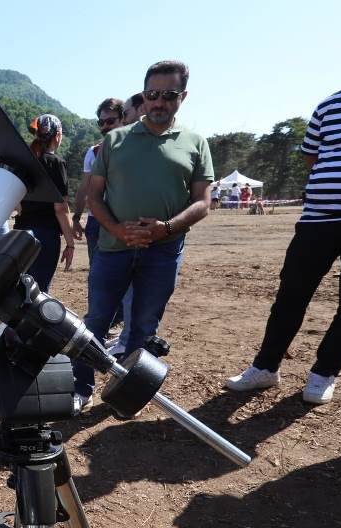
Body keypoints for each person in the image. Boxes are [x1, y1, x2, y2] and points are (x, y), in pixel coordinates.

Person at [225, 15, 341, 405]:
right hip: (318, 218)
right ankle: (265, 367)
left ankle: (323, 374)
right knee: (291, 293)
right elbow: (311, 157)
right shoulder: (331, 104)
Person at [73, 60, 214, 410]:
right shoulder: (115, 140)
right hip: (112, 249)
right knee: (96, 321)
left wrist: (167, 228)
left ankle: (125, 394)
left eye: (169, 95)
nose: (159, 102)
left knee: (143, 328)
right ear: (143, 95)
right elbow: (94, 196)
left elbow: (203, 202)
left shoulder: (196, 143)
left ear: (183, 96)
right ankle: (80, 387)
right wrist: (117, 229)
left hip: (163, 252)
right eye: (152, 94)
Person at [73, 99, 133, 357]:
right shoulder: (94, 151)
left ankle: (121, 330)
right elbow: (85, 188)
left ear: (123, 119)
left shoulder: (136, 147)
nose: (105, 126)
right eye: (101, 122)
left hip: (125, 220)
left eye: (111, 121)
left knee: (129, 279)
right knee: (99, 278)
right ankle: (100, 330)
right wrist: (77, 216)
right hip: (98, 222)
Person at [13, 113, 75, 293]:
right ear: (58, 135)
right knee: (38, 292)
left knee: (19, 289)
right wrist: (70, 244)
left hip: (20, 232)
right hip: (45, 235)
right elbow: (60, 208)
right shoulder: (56, 163)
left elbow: (16, 203)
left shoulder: (23, 160)